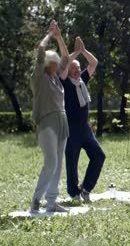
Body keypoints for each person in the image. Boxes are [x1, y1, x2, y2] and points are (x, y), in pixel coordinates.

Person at [30, 20, 80, 213]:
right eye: (53, 62)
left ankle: (51, 202)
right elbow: (41, 50)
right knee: (50, 162)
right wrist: (50, 34)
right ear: (47, 63)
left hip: (62, 121)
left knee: (58, 164)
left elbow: (66, 57)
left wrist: (59, 37)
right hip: (47, 122)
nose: (56, 64)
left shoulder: (56, 78)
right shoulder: (39, 77)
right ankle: (36, 199)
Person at [61, 37, 106, 203]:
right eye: (74, 69)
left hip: (85, 128)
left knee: (99, 155)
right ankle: (74, 193)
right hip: (71, 128)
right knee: (72, 162)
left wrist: (83, 51)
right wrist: (75, 53)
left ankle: (86, 189)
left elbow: (94, 63)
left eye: (78, 68)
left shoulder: (83, 80)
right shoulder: (64, 82)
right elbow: (64, 64)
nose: (77, 71)